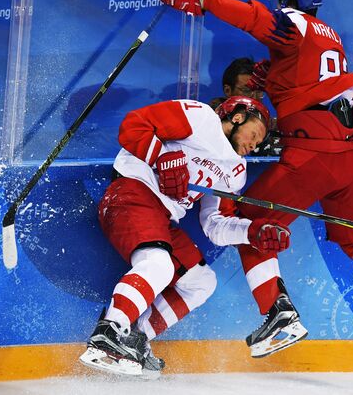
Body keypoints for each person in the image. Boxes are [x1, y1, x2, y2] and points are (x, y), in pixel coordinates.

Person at [159, 0, 353, 358]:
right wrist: (272, 78)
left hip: (314, 153)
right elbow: (311, 84)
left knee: (250, 224)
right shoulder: (331, 38)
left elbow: (253, 18)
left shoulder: (294, 24)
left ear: (286, 1)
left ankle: (279, 316)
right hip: (352, 153)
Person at [79, 96, 291, 377]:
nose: (254, 145)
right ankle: (109, 334)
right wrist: (160, 157)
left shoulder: (236, 173)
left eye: (258, 143)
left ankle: (135, 337)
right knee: (158, 265)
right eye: (254, 134)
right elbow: (134, 125)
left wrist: (252, 231)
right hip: (133, 192)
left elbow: (215, 224)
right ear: (238, 117)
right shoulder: (201, 117)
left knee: (201, 282)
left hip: (163, 219)